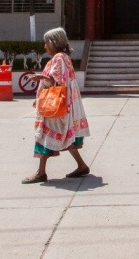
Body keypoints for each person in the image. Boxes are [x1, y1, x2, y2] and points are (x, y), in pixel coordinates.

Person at [23, 27, 91, 184]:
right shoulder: (64, 57)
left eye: (46, 42)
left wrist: (41, 78)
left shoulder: (58, 59)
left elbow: (56, 81)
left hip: (56, 104)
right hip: (67, 102)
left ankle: (41, 172)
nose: (45, 46)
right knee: (66, 135)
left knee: (44, 135)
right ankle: (81, 165)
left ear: (53, 43)